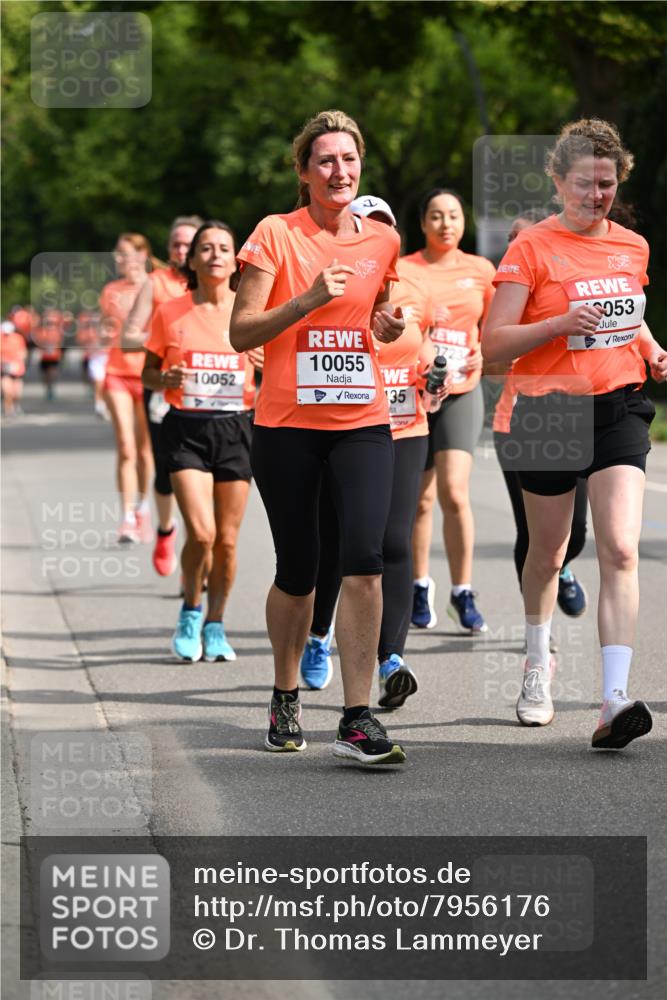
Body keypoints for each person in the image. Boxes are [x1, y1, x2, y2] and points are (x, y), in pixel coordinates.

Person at [482, 118, 667, 748]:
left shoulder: (633, 247)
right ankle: (538, 663)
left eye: (607, 184)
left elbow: (626, 313)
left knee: (620, 549)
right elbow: (493, 344)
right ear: (559, 181)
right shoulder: (531, 247)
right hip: (548, 411)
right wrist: (558, 323)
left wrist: (650, 346)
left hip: (619, 406)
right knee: (549, 553)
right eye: (585, 183)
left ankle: (614, 700)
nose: (597, 195)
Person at [230, 109, 407, 765]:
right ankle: (285, 695)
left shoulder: (382, 241)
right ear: (303, 172)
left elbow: (379, 313)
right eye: (325, 160)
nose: (339, 170)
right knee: (299, 570)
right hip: (287, 427)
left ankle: (357, 717)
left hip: (362, 421)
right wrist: (305, 300)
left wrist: (387, 325)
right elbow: (241, 332)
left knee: (364, 558)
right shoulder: (275, 234)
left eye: (349, 159)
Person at [299, 194, 449, 708]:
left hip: (405, 426)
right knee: (336, 542)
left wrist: (435, 375)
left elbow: (426, 347)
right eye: (369, 224)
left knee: (393, 541)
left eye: (386, 226)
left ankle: (391, 660)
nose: (378, 235)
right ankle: (317, 635)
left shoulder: (415, 288)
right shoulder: (330, 283)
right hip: (344, 427)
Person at [143, 221, 254, 663]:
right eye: (205, 248)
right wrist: (165, 378)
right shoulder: (170, 312)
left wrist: (267, 362)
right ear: (190, 260)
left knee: (227, 541)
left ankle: (216, 623)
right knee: (203, 534)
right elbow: (147, 373)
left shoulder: (251, 312)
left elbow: (278, 367)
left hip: (236, 429)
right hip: (186, 429)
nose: (215, 255)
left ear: (236, 260)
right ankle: (191, 611)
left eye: (224, 248)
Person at [402, 189, 495, 634]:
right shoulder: (404, 269)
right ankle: (419, 585)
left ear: (463, 222)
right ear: (423, 223)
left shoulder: (481, 270)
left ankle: (462, 591)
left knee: (454, 493)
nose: (445, 224)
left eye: (454, 215)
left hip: (462, 391)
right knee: (419, 498)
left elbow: (498, 328)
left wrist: (485, 354)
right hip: (415, 392)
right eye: (436, 216)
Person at [491, 209, 588, 633]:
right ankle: (538, 630)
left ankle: (562, 568)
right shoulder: (502, 298)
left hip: (573, 417)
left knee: (576, 532)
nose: (521, 246)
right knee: (530, 532)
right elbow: (489, 360)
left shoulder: (566, 293)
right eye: (513, 240)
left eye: (528, 238)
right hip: (515, 422)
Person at [124, 215, 203, 576]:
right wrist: (162, 339)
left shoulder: (217, 281)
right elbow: (128, 336)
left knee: (205, 473)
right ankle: (166, 530)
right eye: (176, 243)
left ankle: (196, 552)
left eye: (189, 243)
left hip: (210, 390)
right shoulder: (156, 282)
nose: (182, 249)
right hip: (162, 386)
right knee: (167, 466)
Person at [100, 233, 156, 543]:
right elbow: (106, 328)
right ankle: (127, 518)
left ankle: (143, 507)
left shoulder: (157, 287)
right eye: (117, 254)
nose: (118, 259)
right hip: (116, 373)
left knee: (145, 451)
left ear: (142, 255)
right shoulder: (111, 291)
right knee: (125, 445)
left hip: (147, 374)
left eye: (124, 253)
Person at [1, 320, 27, 416]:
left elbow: (23, 352)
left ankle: (16, 405)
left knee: (17, 392)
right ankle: (8, 410)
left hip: (17, 368)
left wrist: (19, 359)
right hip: (4, 369)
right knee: (7, 391)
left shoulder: (18, 338)